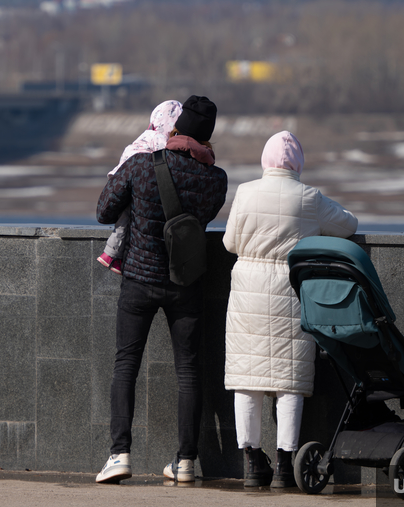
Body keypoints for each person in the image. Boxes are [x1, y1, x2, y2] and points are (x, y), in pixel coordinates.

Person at [95, 96, 228, 483]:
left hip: (138, 278)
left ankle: (119, 455)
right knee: (189, 371)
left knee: (126, 365)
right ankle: (186, 462)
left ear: (176, 126)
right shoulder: (215, 180)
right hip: (185, 284)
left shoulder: (141, 165)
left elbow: (104, 210)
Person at [222, 131, 358, 488]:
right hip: (290, 290)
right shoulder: (309, 198)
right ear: (298, 163)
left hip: (247, 291)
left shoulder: (246, 192)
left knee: (246, 380)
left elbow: (229, 242)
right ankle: (286, 464)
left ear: (265, 161)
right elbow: (348, 225)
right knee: (290, 380)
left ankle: (251, 461)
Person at [97, 100, 183, 275]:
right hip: (135, 181)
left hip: (122, 177)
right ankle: (111, 254)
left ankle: (112, 255)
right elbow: (167, 162)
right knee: (126, 220)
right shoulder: (159, 139)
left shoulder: (145, 135)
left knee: (123, 222)